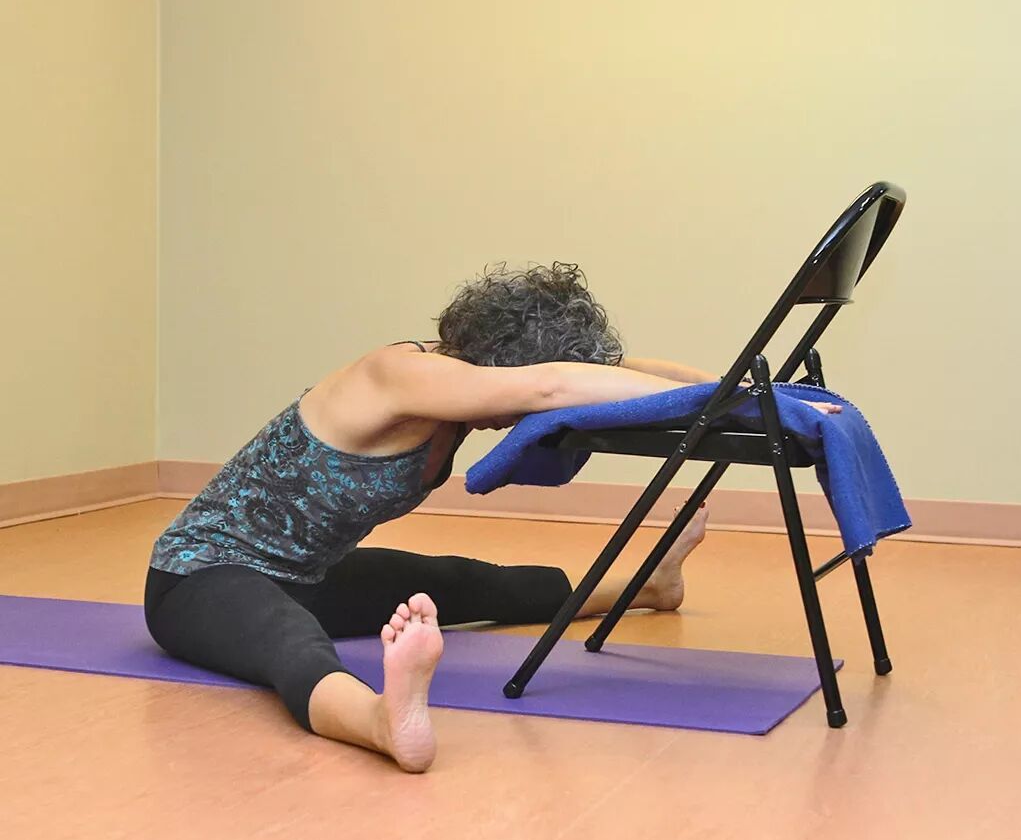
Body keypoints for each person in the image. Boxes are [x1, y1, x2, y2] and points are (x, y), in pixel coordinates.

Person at [144, 263, 840, 772]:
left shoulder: (471, 377)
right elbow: (551, 383)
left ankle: (650, 586)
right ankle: (380, 721)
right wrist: (734, 401)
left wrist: (759, 393)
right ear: (496, 363)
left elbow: (618, 367)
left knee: (469, 582)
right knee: (287, 639)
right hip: (200, 576)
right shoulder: (396, 374)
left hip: (310, 575)